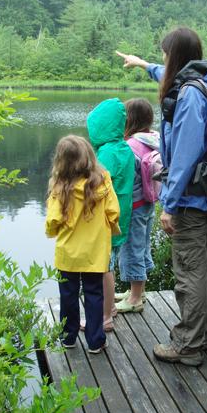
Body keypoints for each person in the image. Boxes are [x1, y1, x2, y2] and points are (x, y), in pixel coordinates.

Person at [116, 26, 207, 367]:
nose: (162, 60)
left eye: (164, 54)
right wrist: (141, 64)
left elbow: (186, 155)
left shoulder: (189, 95)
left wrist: (170, 205)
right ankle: (204, 338)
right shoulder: (203, 82)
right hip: (206, 195)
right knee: (204, 269)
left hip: (189, 198)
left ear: (175, 56)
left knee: (189, 272)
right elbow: (163, 74)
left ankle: (187, 346)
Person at [45, 135, 120, 354]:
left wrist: (53, 231)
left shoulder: (60, 187)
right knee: (94, 295)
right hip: (95, 252)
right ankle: (95, 341)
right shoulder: (104, 181)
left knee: (68, 295)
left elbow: (53, 221)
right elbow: (113, 213)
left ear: (61, 161)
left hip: (68, 253)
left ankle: (68, 337)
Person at [87, 98, 135, 331]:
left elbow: (94, 188)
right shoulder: (124, 148)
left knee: (102, 268)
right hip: (119, 218)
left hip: (106, 220)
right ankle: (111, 309)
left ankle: (104, 317)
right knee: (109, 264)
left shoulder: (107, 153)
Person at [114, 98, 159, 313]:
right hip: (149, 204)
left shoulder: (131, 145)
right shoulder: (153, 138)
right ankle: (138, 291)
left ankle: (134, 300)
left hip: (134, 206)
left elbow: (127, 179)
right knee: (142, 246)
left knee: (132, 249)